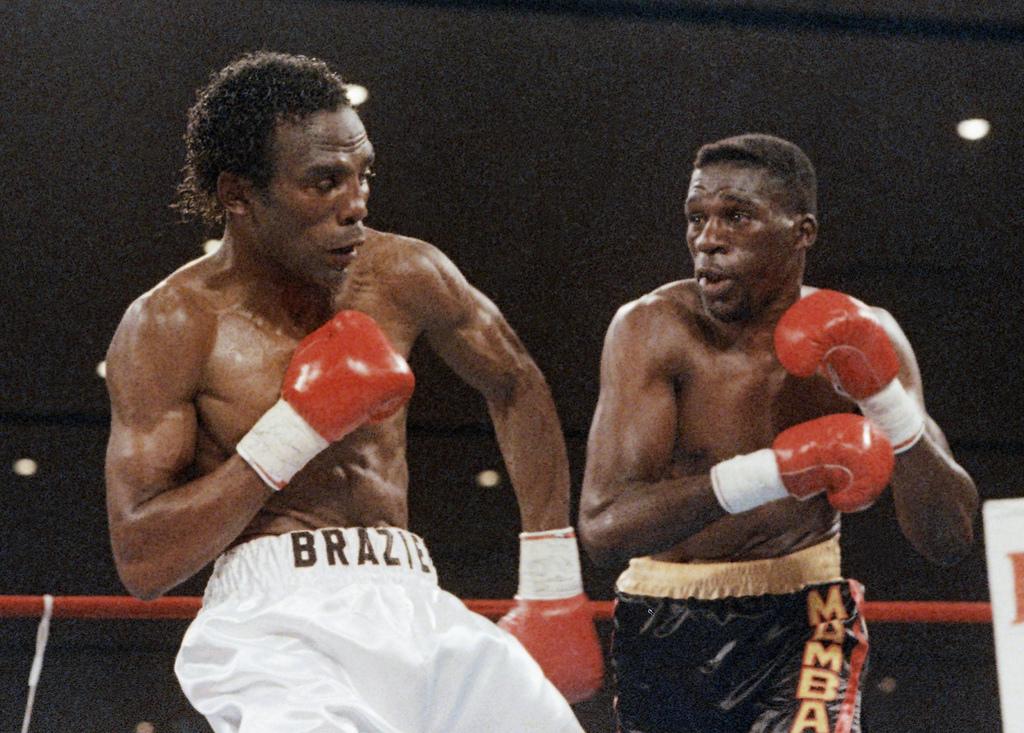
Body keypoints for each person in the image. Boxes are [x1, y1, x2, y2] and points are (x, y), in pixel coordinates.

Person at [103, 51, 602, 733]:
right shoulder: (171, 324)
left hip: (412, 594)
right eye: (324, 182)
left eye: (363, 174)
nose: (356, 203)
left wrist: (550, 579)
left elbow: (514, 382)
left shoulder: (403, 273)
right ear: (237, 193)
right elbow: (140, 559)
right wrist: (293, 430)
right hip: (275, 627)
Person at [578, 133, 979, 733]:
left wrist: (883, 401)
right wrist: (775, 472)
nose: (708, 239)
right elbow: (605, 526)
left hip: (806, 616)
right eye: (697, 218)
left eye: (736, 216)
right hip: (663, 620)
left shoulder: (867, 333)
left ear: (802, 231)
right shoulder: (653, 330)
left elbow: (948, 537)